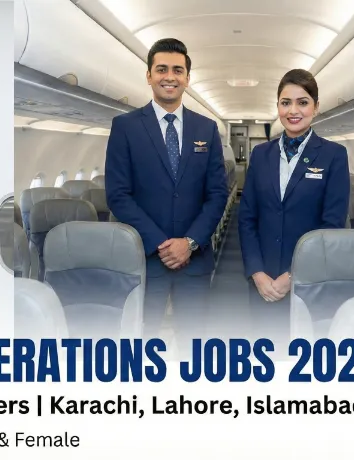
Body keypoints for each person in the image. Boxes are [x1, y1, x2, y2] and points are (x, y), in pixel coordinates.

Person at [105, 38, 228, 350]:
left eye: (177, 70)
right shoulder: (125, 127)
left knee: (193, 344)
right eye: (161, 69)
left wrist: (189, 242)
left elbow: (217, 194)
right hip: (146, 259)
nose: (169, 76)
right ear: (149, 76)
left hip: (195, 259)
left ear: (188, 77)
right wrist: (162, 244)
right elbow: (118, 195)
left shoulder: (206, 129)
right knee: (141, 344)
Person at [238, 69, 350, 344]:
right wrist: (257, 272)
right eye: (285, 102)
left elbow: (331, 226)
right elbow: (247, 218)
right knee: (264, 359)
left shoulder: (334, 155)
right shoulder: (261, 154)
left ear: (315, 106)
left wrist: (292, 276)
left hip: (308, 282)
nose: (293, 110)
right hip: (262, 282)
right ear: (277, 106)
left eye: (302, 102)